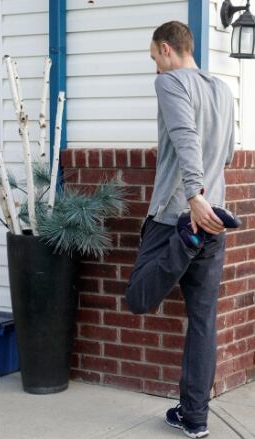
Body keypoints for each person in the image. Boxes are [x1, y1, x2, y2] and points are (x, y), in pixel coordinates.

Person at [124, 21, 236, 438]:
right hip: (215, 220)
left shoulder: (171, 83)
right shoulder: (223, 90)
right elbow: (227, 150)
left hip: (181, 216)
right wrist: (207, 201)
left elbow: (186, 137)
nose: (156, 69)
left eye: (155, 59)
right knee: (204, 322)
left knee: (137, 297)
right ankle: (195, 419)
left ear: (168, 50)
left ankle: (185, 241)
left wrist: (193, 196)